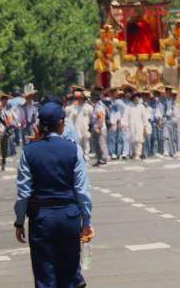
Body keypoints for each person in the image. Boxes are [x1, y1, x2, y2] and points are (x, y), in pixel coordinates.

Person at [14, 100, 94, 288]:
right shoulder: (73, 149)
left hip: (41, 219)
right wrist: (87, 222)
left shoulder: (29, 152)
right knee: (69, 276)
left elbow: (23, 193)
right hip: (69, 217)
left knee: (45, 276)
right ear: (60, 123)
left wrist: (19, 221)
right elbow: (82, 191)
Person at [123, 91, 151, 160]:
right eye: (135, 98)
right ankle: (134, 153)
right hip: (131, 126)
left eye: (138, 97)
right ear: (133, 98)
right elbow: (125, 116)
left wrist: (145, 126)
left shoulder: (141, 106)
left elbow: (144, 117)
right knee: (132, 141)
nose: (137, 99)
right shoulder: (128, 106)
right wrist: (125, 124)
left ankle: (138, 154)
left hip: (139, 126)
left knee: (139, 140)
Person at [67, 90, 93, 158]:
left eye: (81, 98)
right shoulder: (74, 107)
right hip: (77, 127)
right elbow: (71, 113)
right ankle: (80, 155)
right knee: (79, 141)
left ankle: (86, 155)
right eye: (78, 98)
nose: (79, 100)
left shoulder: (88, 107)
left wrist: (89, 124)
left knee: (86, 142)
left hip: (85, 127)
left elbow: (91, 116)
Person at [91, 91, 109, 166]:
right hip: (96, 127)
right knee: (96, 145)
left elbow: (101, 117)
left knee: (102, 144)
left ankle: (104, 158)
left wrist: (99, 127)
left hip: (100, 128)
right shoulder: (96, 105)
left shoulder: (99, 106)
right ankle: (99, 159)